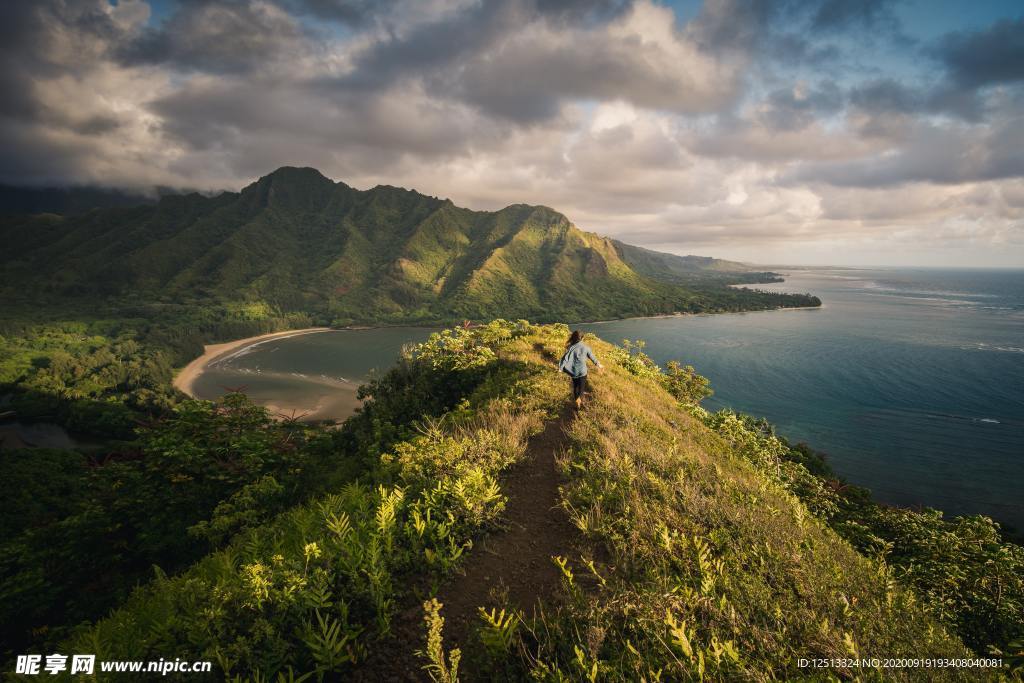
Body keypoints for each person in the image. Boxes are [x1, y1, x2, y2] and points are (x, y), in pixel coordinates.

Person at [558, 330, 602, 408]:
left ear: (574, 338)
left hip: (573, 372)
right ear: (582, 338)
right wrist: (598, 364)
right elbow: (592, 357)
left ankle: (577, 402)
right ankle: (581, 402)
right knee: (581, 388)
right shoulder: (586, 347)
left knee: (575, 386)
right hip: (582, 371)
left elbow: (565, 359)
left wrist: (560, 368)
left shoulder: (570, 347)